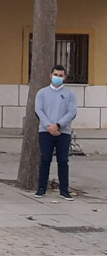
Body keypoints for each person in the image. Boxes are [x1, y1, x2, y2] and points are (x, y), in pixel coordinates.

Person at [35, 65, 78, 201]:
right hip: (45, 132)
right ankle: (41, 189)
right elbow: (39, 111)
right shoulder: (42, 93)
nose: (58, 78)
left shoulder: (70, 94)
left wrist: (58, 125)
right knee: (45, 160)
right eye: (56, 75)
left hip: (63, 133)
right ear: (50, 75)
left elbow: (72, 112)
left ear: (65, 77)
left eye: (61, 75)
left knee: (63, 161)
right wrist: (49, 126)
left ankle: (64, 190)